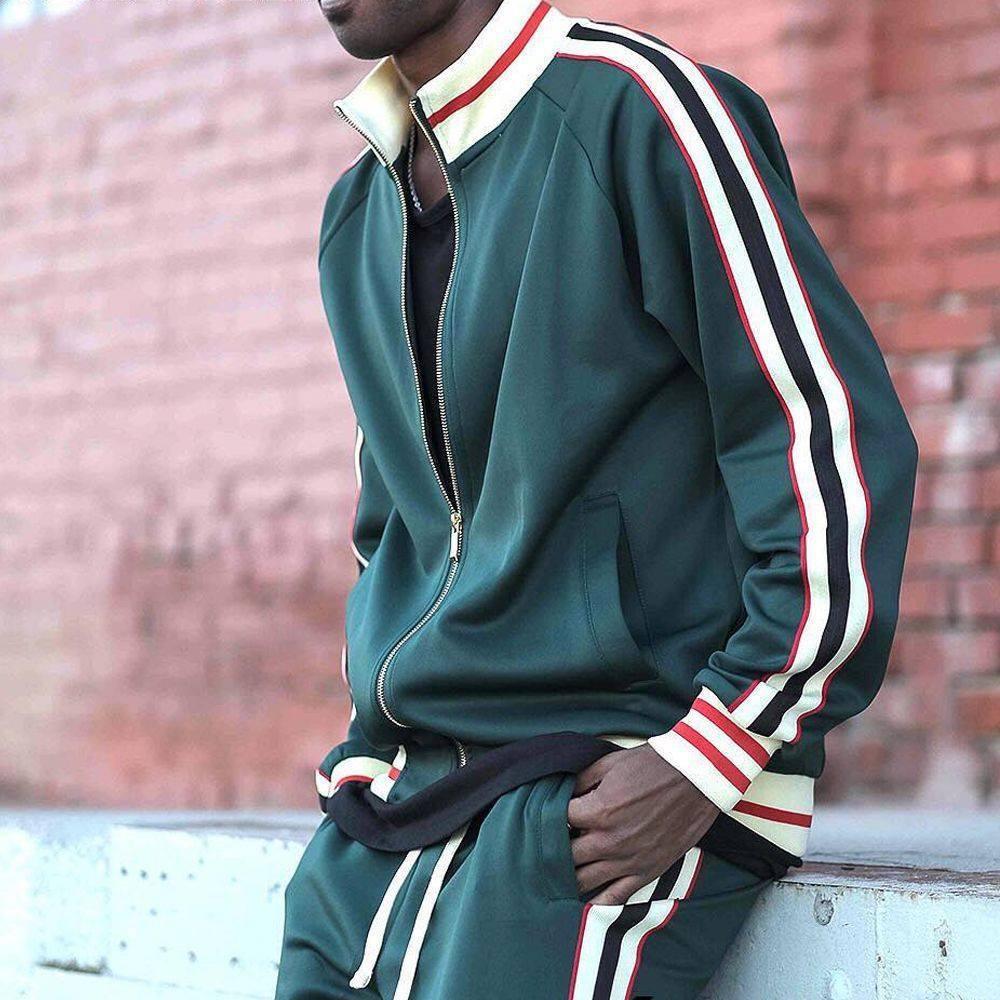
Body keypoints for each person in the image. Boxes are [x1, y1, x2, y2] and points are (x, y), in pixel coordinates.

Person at [275, 1, 918, 997]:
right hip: (405, 802)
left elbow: (820, 438)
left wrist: (713, 753)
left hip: (617, 790)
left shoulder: (641, 112)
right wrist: (367, 741)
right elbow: (395, 523)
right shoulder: (360, 211)